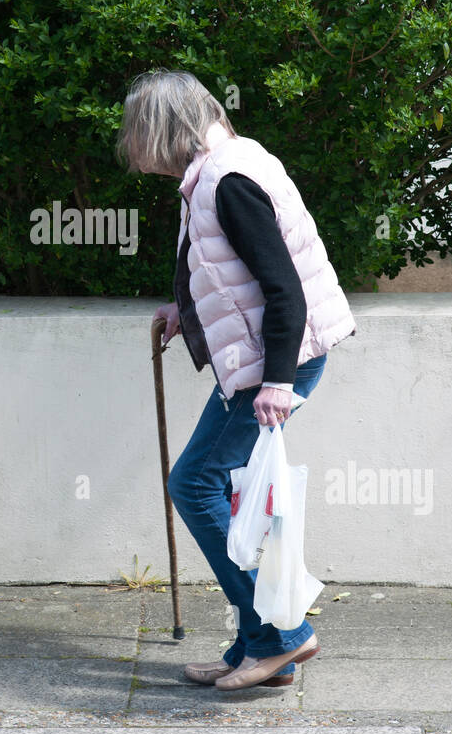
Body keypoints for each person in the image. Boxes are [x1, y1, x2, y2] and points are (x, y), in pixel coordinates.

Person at [116, 69, 357, 692]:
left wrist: (277, 381)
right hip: (268, 359)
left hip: (276, 361)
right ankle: (260, 646)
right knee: (215, 485)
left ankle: (282, 638)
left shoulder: (228, 182)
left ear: (165, 132)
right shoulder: (224, 167)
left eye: (140, 138)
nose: (140, 157)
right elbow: (231, 273)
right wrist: (184, 311)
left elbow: (286, 291)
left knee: (194, 483)